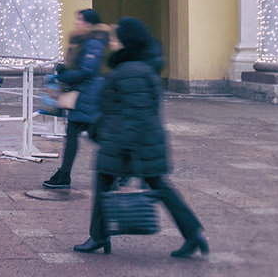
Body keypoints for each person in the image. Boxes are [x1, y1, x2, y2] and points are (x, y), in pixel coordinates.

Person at [74, 16, 208, 259]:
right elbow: (123, 109)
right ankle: (192, 233)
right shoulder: (138, 67)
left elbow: (135, 113)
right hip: (138, 142)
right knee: (160, 187)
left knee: (105, 183)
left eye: (116, 38)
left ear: (127, 42)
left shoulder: (129, 71)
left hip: (127, 144)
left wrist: (122, 145)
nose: (111, 42)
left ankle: (99, 236)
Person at [42, 8, 109, 191]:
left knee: (94, 135)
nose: (76, 22)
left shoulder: (93, 42)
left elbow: (87, 71)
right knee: (79, 134)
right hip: (83, 94)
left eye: (79, 20)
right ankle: (64, 174)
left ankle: (123, 167)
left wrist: (65, 74)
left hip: (87, 95)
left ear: (88, 23)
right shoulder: (86, 40)